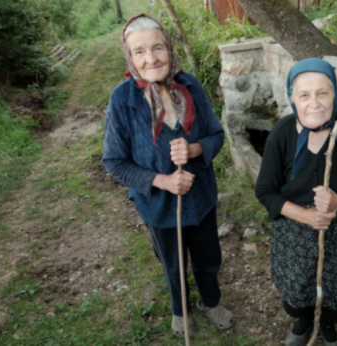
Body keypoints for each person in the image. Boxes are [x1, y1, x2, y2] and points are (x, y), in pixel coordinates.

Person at [102, 14, 234, 339]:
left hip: (201, 197)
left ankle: (210, 301)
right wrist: (162, 181)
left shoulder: (189, 86)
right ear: (129, 57)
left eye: (157, 47)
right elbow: (115, 162)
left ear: (168, 47)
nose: (151, 58)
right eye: (140, 52)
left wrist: (194, 151)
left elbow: (216, 135)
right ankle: (180, 310)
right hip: (159, 208)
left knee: (208, 256)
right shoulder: (123, 100)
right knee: (173, 264)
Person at [255, 58, 337, 346]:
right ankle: (304, 322)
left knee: (336, 289)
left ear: (335, 93)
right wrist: (306, 216)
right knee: (300, 285)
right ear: (293, 98)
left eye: (322, 93)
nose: (314, 103)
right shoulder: (282, 132)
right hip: (295, 231)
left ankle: (328, 326)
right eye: (304, 95)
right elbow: (265, 191)